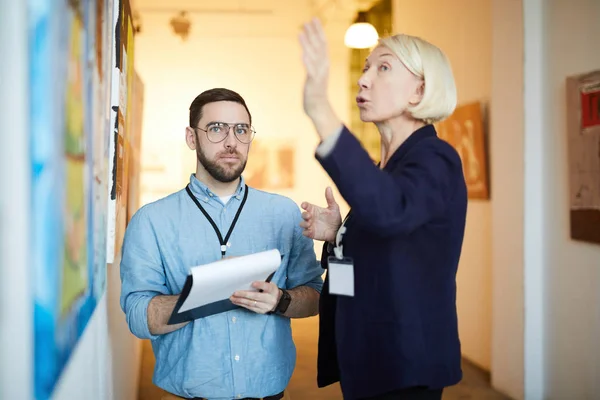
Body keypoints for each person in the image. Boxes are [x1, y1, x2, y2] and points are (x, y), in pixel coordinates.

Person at [298, 19, 468, 400]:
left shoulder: (436, 158)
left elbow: (390, 213)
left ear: (419, 90)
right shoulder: (385, 174)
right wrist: (338, 235)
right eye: (365, 68)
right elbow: (369, 255)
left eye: (384, 67)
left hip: (404, 364)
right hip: (368, 358)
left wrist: (320, 109)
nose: (364, 79)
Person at [120, 88, 324, 400]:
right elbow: (137, 315)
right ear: (192, 137)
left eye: (241, 130)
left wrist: (280, 300)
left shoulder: (284, 213)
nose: (231, 142)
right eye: (216, 129)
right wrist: (207, 293)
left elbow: (315, 296)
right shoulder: (151, 220)